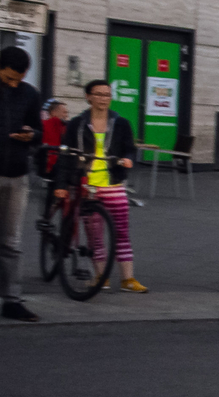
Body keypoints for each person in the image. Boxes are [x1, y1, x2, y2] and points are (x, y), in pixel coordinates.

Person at [60, 78, 146, 292]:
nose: (103, 99)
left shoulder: (121, 123)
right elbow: (66, 155)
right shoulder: (77, 125)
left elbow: (129, 148)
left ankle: (128, 279)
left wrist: (127, 159)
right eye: (98, 94)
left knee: (121, 232)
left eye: (107, 95)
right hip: (87, 185)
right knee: (94, 234)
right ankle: (101, 277)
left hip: (113, 183)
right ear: (88, 97)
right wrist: (62, 182)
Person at [0, 46, 43, 322]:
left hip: (17, 174)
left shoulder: (30, 94)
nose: (14, 83)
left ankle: (12, 300)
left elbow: (37, 130)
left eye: (19, 78)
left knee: (12, 241)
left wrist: (31, 135)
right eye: (9, 78)